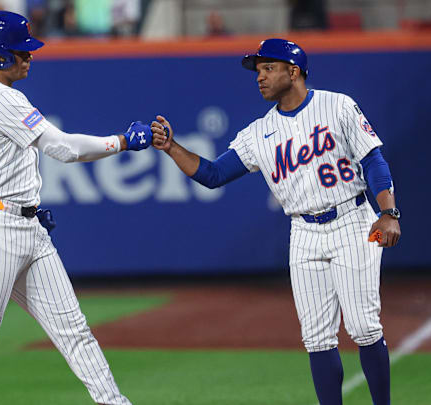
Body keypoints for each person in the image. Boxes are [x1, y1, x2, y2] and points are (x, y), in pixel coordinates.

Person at [151, 38, 400, 405]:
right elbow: (214, 174)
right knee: (316, 338)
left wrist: (388, 211)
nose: (260, 77)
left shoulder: (338, 105)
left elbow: (373, 160)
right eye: (258, 71)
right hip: (302, 231)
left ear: (293, 71)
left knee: (364, 327)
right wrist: (172, 148)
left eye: (268, 68)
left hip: (351, 218)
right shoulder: (259, 133)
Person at [0, 10, 151, 405]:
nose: (28, 57)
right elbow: (63, 148)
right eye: (20, 50)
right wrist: (123, 141)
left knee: (73, 330)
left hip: (22, 224)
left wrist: (26, 205)